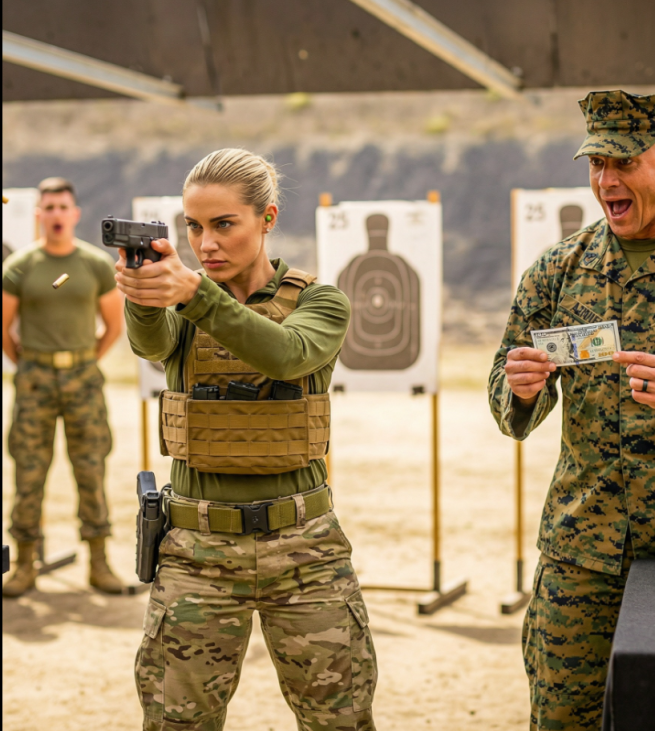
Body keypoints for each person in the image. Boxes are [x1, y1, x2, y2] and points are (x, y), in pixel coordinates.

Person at [488, 91, 655, 730]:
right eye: (595, 165)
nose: (606, 180)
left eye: (624, 163)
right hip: (582, 551)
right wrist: (521, 389)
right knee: (563, 719)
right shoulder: (558, 273)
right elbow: (505, 402)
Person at [117, 149, 378, 731]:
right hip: (197, 552)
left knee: (339, 721)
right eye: (193, 226)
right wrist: (141, 292)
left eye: (223, 224)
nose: (205, 242)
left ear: (267, 219)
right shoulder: (186, 304)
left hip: (304, 548)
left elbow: (287, 355)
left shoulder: (320, 301)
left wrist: (190, 294)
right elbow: (152, 346)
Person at [2, 177, 125, 597]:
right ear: (39, 214)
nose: (56, 215)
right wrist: (30, 363)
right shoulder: (21, 266)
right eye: (48, 208)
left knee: (91, 469)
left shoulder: (93, 264)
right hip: (34, 378)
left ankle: (99, 561)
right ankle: (23, 563)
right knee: (29, 472)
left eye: (62, 207)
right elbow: (4, 327)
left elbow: (113, 325)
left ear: (75, 214)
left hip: (82, 379)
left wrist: (83, 358)